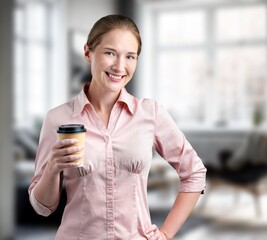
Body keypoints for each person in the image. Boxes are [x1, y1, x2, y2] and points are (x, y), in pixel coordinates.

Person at [28, 14, 207, 240]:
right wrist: (53, 168)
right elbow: (42, 207)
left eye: (130, 56)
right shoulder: (58, 119)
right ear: (88, 52)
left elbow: (194, 172)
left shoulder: (150, 113)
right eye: (110, 53)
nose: (120, 66)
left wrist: (166, 234)